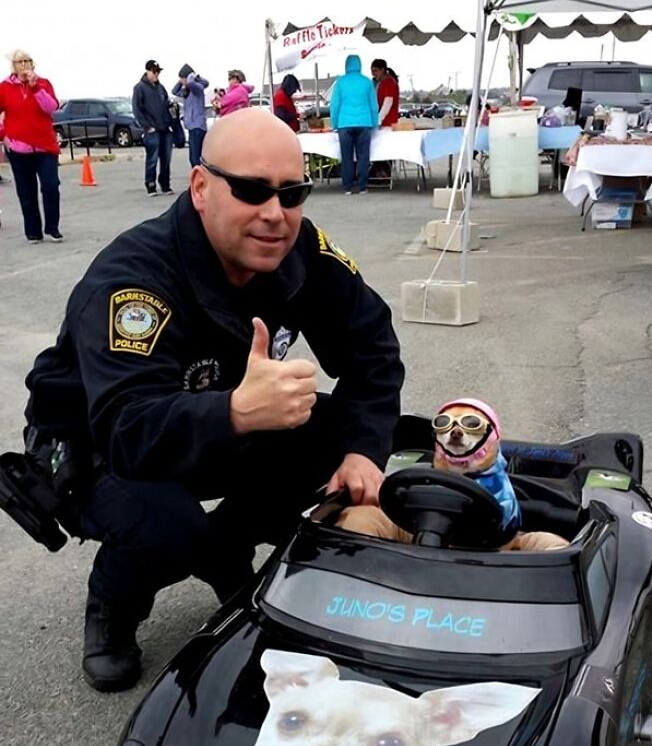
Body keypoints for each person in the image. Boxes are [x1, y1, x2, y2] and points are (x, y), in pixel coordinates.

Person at [22, 108, 404, 693]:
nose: (274, 214)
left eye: (292, 192)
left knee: (339, 441)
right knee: (165, 527)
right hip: (97, 437)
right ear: (201, 187)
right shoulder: (134, 279)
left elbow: (372, 350)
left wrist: (362, 450)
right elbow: (128, 427)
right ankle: (113, 603)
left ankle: (226, 547)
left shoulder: (301, 248)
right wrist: (233, 411)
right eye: (251, 191)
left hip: (219, 413)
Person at [0, 49, 61, 242]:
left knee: (50, 186)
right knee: (26, 192)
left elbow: (51, 107)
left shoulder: (43, 83)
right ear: (14, 66)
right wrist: (3, 136)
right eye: (20, 62)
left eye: (27, 61)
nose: (24, 64)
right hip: (19, 148)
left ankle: (52, 227)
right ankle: (33, 231)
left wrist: (36, 88)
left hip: (45, 147)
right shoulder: (5, 88)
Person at [330, 55, 378, 195]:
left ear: (346, 65)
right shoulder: (367, 82)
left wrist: (335, 124)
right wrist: (374, 123)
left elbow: (335, 105)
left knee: (347, 157)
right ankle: (363, 186)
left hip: (344, 124)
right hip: (364, 123)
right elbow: (373, 106)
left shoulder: (340, 82)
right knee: (363, 156)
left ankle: (348, 187)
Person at [132, 59, 173, 196]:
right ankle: (150, 184)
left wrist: (170, 118)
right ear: (148, 71)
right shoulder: (139, 88)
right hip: (152, 130)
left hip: (165, 129)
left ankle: (165, 184)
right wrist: (147, 126)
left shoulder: (161, 88)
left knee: (166, 159)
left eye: (158, 72)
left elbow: (166, 104)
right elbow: (137, 109)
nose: (157, 75)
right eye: (154, 72)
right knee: (152, 158)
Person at [172, 63, 210, 167]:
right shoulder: (186, 91)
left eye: (183, 78)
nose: (183, 81)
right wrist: (180, 82)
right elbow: (174, 91)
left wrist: (191, 77)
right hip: (191, 125)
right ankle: (197, 178)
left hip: (198, 125)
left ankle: (198, 179)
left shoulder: (197, 88)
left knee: (195, 158)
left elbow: (196, 84)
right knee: (193, 157)